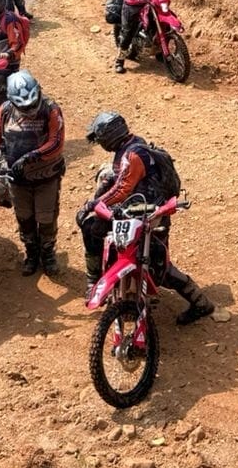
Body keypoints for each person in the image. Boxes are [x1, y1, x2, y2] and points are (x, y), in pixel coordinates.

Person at [78, 111, 214, 324]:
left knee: (157, 265)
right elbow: (121, 181)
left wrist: (94, 204)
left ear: (109, 137)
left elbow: (122, 189)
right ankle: (94, 279)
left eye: (101, 139)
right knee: (93, 229)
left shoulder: (132, 155)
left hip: (152, 214)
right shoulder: (132, 145)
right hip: (134, 210)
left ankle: (201, 303)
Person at [0, 70, 65, 276]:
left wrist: (30, 157)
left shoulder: (51, 109)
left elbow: (56, 142)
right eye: (23, 105)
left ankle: (48, 254)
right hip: (17, 177)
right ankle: (31, 253)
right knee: (24, 217)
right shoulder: (6, 111)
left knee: (46, 217)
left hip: (46, 175)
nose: (29, 108)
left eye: (31, 103)